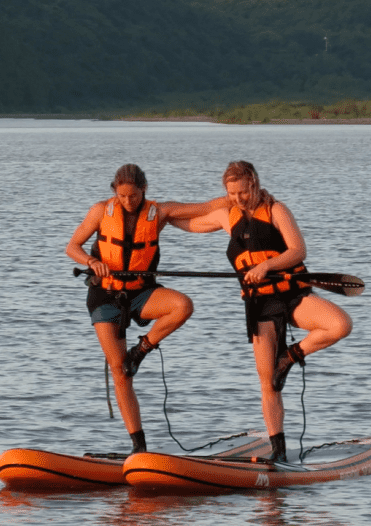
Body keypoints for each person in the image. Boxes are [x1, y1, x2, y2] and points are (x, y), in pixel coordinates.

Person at [171, 161, 353, 462]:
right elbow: (188, 221)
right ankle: (277, 450)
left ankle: (291, 356)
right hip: (259, 305)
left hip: (293, 295)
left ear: (254, 184)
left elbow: (297, 251)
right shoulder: (227, 215)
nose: (239, 198)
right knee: (267, 381)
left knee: (339, 324)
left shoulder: (276, 210)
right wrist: (158, 217)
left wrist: (266, 265)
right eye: (232, 193)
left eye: (243, 191)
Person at [66, 164, 226, 453]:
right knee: (120, 370)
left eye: (135, 196)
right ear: (115, 191)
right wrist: (92, 262)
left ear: (145, 190)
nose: (129, 202)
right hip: (104, 295)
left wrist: (243, 198)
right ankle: (138, 447)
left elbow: (206, 207)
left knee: (182, 306)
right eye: (123, 196)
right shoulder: (100, 210)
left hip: (141, 293)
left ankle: (141, 350)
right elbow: (73, 247)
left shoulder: (160, 212)